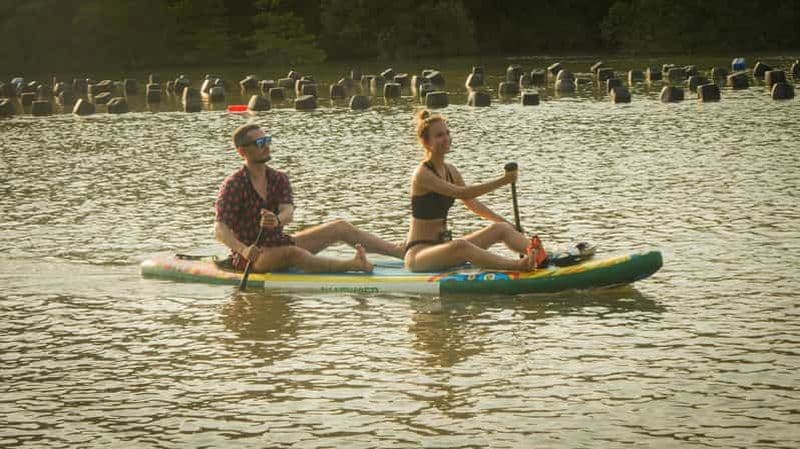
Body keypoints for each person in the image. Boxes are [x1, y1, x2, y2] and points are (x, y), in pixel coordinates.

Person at [215, 123, 404, 274]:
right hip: (253, 256)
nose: (266, 146)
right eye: (260, 143)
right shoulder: (234, 184)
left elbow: (288, 211)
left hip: (279, 242)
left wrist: (277, 220)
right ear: (242, 152)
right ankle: (353, 265)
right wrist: (244, 250)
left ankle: (400, 251)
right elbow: (220, 229)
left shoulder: (279, 178)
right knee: (293, 253)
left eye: (267, 140)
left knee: (340, 226)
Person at [404, 109, 547, 272]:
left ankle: (543, 256)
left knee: (501, 228)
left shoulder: (451, 171)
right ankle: (518, 266)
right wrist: (504, 180)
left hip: (443, 248)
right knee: (461, 245)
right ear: (426, 142)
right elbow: (463, 193)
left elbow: (473, 204)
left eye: (447, 133)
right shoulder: (422, 174)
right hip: (419, 255)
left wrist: (507, 223)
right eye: (439, 135)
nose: (446, 139)